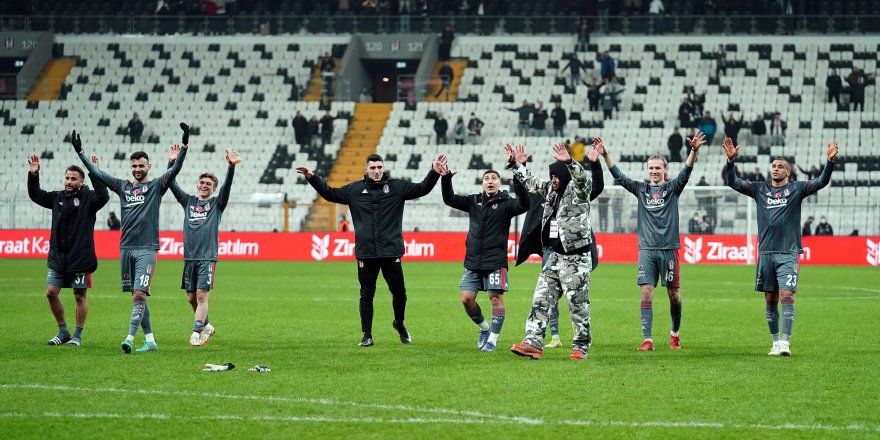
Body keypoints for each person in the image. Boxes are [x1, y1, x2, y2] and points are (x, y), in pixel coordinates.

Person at [297, 153, 447, 347]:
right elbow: (330, 193)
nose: (376, 171)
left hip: (391, 251)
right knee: (367, 294)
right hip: (366, 252)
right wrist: (312, 177)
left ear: (383, 168)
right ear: (366, 170)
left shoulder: (396, 187)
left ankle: (399, 323)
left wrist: (434, 173)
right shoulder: (354, 190)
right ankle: (367, 335)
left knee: (399, 293)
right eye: (373, 168)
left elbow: (422, 189)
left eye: (379, 167)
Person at [73, 124, 189, 354]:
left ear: (149, 167)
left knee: (139, 294)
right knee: (138, 296)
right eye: (134, 165)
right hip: (125, 248)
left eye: (141, 165)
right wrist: (81, 154)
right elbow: (98, 175)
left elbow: (175, 170)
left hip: (147, 248)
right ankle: (151, 340)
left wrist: (184, 146)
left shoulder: (156, 186)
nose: (137, 169)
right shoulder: (122, 186)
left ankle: (129, 338)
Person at [723, 137, 837, 356]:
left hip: (788, 253)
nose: (775, 169)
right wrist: (730, 162)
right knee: (770, 299)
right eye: (773, 166)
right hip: (765, 254)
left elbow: (821, 182)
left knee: (787, 294)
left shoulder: (797, 189)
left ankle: (785, 342)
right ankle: (775, 342)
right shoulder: (759, 190)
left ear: (788, 173)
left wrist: (829, 162)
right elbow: (733, 183)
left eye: (780, 166)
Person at [601, 131, 706, 351]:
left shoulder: (672, 188)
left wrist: (694, 151)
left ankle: (674, 333)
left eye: (658, 168)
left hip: (669, 250)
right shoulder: (641, 189)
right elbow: (620, 177)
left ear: (665, 170)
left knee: (673, 294)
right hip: (647, 250)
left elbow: (686, 171)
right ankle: (648, 339)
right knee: (646, 291)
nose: (654, 171)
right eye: (651, 168)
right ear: (647, 170)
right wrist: (605, 154)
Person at [506, 142, 595, 361]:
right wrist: (514, 164)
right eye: (551, 175)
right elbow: (530, 182)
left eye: (556, 176)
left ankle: (581, 347)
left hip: (576, 258)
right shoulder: (551, 191)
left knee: (577, 306)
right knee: (540, 300)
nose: (553, 179)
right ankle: (533, 343)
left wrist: (570, 163)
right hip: (554, 257)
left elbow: (583, 180)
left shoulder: (579, 192)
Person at [441, 162, 530, 352]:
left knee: (495, 298)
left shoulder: (506, 203)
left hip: (495, 261)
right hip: (472, 260)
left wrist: (518, 182)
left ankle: (492, 341)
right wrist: (446, 179)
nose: (490, 181)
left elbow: (525, 204)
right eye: (487, 179)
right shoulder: (473, 201)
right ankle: (484, 329)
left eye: (494, 179)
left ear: (499, 183)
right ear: (482, 184)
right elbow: (449, 199)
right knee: (466, 298)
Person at [28, 155, 109, 346]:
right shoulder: (57, 198)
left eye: (73, 179)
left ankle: (77, 336)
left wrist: (95, 172)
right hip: (58, 257)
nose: (69, 181)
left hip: (80, 258)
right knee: (50, 292)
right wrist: (33, 174)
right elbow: (36, 195)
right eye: (67, 178)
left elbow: (103, 196)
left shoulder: (89, 198)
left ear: (81, 181)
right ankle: (63, 331)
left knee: (79, 295)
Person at [167, 147, 239, 346]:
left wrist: (230, 167)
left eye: (209, 184)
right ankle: (207, 325)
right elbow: (170, 183)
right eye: (202, 182)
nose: (205, 185)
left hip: (207, 257)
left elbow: (228, 186)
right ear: (197, 185)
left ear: (214, 189)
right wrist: (171, 163)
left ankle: (196, 332)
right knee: (190, 298)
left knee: (201, 295)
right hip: (189, 257)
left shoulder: (217, 204)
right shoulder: (188, 201)